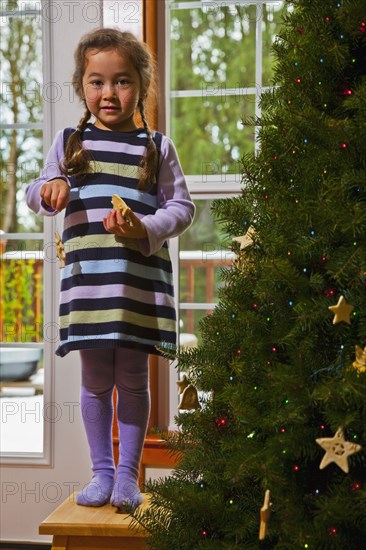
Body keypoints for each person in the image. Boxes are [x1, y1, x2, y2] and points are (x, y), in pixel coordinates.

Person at [26, 28, 195, 511]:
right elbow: (35, 190)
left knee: (134, 381)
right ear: (82, 86)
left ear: (141, 86)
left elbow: (182, 208)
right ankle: (101, 472)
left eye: (121, 82)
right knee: (96, 380)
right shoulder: (69, 143)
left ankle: (127, 476)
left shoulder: (156, 147)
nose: (108, 93)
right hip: (89, 287)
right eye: (97, 82)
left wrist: (143, 226)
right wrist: (50, 187)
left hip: (136, 288)